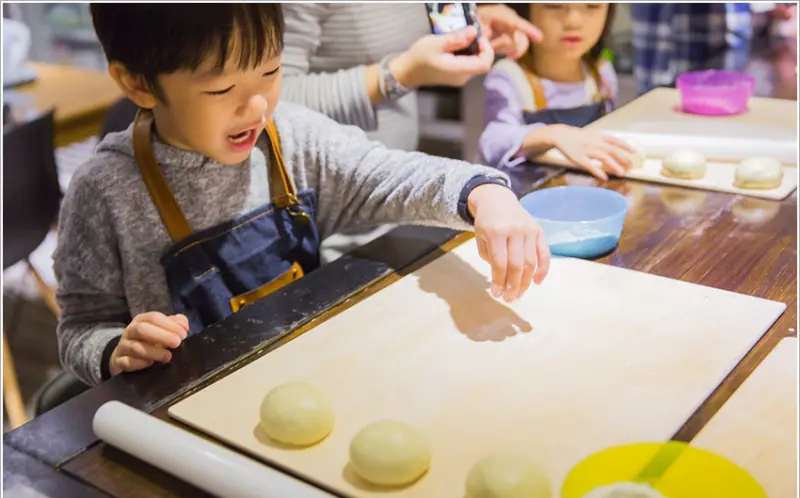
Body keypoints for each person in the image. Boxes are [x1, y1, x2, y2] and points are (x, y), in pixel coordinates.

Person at [54, 4, 551, 387]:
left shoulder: (290, 138)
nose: (256, 106)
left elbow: (390, 175)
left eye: (270, 73)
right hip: (183, 412)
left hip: (307, 374)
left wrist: (483, 194)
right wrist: (114, 350)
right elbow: (81, 327)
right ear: (137, 83)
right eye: (222, 90)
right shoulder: (105, 192)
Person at [280, 3, 543, 151]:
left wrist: (470, 25)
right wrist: (399, 74)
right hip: (324, 205)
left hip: (395, 180)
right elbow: (276, 101)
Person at [479, 3, 635, 181]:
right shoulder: (511, 76)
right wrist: (553, 135)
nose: (573, 22)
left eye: (592, 6)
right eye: (554, 6)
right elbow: (493, 142)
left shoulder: (602, 74)